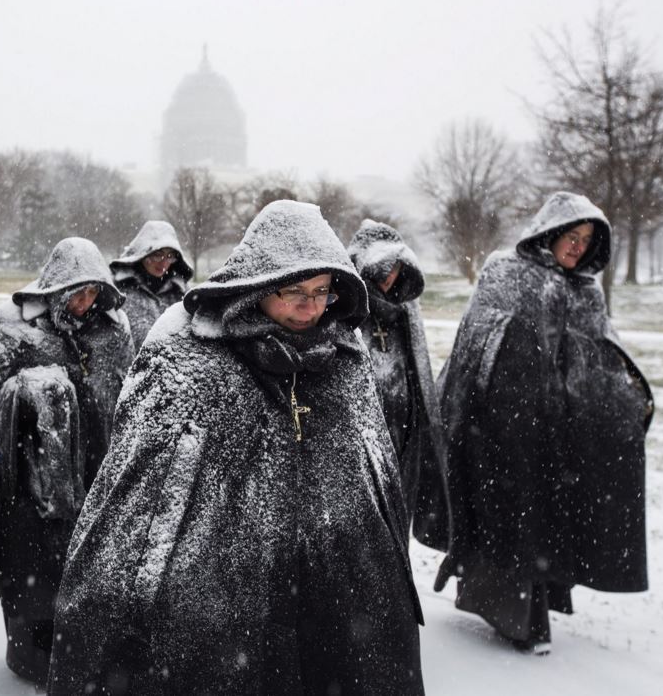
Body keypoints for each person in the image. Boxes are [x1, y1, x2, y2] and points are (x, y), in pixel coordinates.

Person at [49, 201, 424, 695]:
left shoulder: (345, 362)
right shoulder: (188, 355)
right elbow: (139, 512)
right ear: (258, 286)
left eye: (321, 292)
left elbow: (376, 492)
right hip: (222, 604)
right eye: (294, 291)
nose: (310, 307)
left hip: (334, 594)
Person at [435, 192, 653, 655]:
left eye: (586, 241)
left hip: (557, 435)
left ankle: (534, 607)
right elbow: (474, 347)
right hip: (499, 429)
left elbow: (600, 358)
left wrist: (624, 403)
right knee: (508, 521)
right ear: (548, 233)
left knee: (545, 523)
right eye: (570, 237)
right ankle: (518, 622)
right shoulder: (504, 273)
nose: (576, 248)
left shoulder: (585, 292)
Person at [0, 236, 134, 685]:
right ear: (56, 287)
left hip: (97, 479)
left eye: (93, 291)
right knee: (32, 573)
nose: (85, 302)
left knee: (88, 576)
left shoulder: (112, 330)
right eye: (76, 291)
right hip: (27, 485)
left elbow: (128, 397)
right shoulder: (13, 328)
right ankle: (30, 657)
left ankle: (82, 656)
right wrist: (27, 394)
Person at [347, 220, 450, 550]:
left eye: (396, 268)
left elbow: (417, 368)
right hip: (360, 439)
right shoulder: (346, 303)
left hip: (403, 436)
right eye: (383, 267)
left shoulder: (405, 306)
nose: (389, 277)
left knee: (395, 524)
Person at [109, 220, 193, 350]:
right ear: (143, 254)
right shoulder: (118, 289)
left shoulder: (183, 294)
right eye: (157, 254)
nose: (164, 263)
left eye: (170, 256)